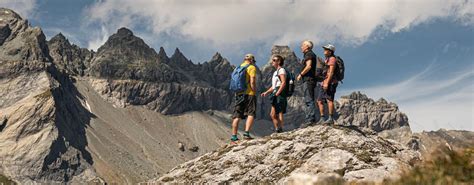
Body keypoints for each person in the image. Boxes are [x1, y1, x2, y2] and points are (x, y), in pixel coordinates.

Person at [231, 54, 258, 143]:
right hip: (249, 93)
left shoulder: (237, 68)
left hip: (239, 94)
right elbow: (252, 80)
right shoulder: (251, 67)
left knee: (237, 115)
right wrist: (254, 91)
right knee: (251, 113)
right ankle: (246, 134)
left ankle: (234, 137)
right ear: (251, 60)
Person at [261, 55, 287, 133]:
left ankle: (281, 129)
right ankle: (277, 129)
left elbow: (283, 82)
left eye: (274, 60)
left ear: (279, 62)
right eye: (272, 60)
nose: (272, 62)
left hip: (279, 92)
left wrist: (278, 92)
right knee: (272, 114)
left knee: (279, 111)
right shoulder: (275, 72)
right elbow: (273, 86)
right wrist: (266, 92)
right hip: (275, 91)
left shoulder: (281, 70)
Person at [297, 40, 318, 128]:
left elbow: (308, 66)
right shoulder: (309, 54)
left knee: (309, 99)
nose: (301, 47)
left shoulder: (309, 54)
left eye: (303, 45)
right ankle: (309, 118)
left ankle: (310, 119)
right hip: (308, 80)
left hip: (308, 80)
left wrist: (301, 74)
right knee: (308, 99)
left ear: (307, 47)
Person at [317, 44, 339, 125]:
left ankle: (330, 118)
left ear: (330, 51)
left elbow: (331, 72)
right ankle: (322, 118)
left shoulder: (332, 59)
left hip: (330, 82)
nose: (324, 51)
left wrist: (327, 83)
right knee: (319, 100)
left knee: (329, 99)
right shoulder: (327, 59)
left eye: (326, 49)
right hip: (324, 82)